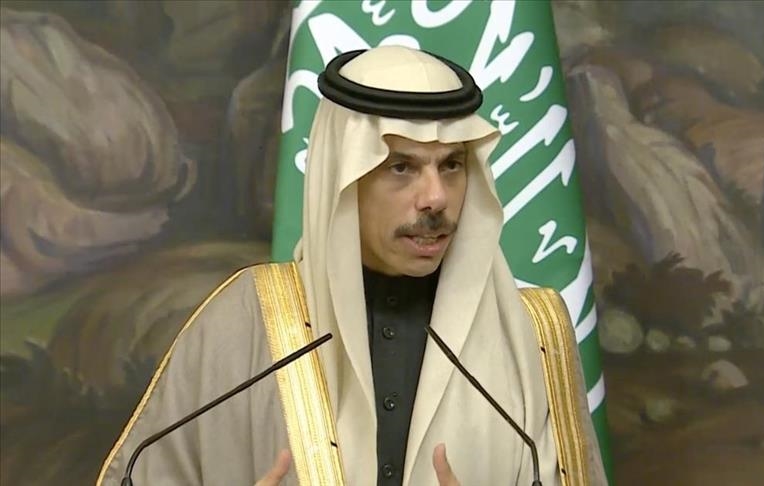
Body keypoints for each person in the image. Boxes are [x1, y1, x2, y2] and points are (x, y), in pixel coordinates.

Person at [97, 45, 605, 486]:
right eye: (401, 167)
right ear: (341, 178)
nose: (436, 197)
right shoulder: (244, 323)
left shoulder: (531, 335)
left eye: (452, 165)